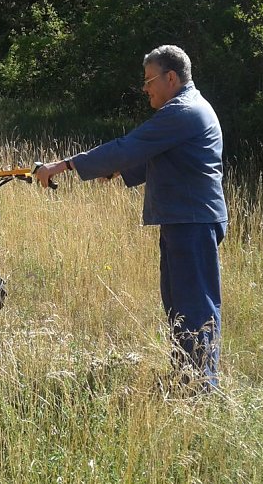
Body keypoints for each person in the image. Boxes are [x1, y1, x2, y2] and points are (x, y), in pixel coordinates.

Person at [36, 45, 228, 392]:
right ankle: (186, 378)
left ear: (171, 78)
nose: (145, 88)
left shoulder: (182, 111)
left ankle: (201, 389)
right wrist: (114, 170)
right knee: (178, 306)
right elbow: (148, 157)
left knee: (195, 308)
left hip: (193, 223)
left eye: (149, 80)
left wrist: (64, 165)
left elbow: (129, 146)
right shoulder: (185, 110)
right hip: (183, 221)